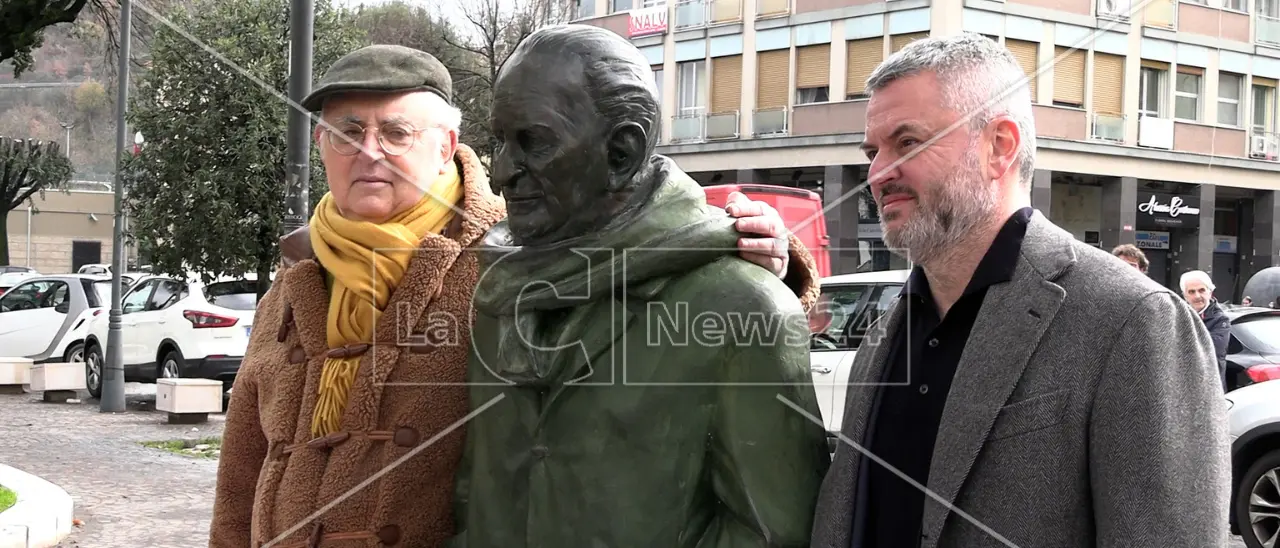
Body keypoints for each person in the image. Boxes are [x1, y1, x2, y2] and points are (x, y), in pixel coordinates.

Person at [207, 44, 815, 548]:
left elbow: (632, 247)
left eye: (394, 131)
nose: (369, 152)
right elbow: (242, 474)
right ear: (320, 146)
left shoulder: (509, 251)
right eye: (346, 132)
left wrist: (766, 257)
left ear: (445, 145)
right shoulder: (293, 284)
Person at [810, 34, 1229, 548]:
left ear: (999, 147)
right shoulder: (884, 332)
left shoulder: (1133, 320)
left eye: (907, 143)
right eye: (873, 151)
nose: (877, 174)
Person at [449, 24, 829, 547]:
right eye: (500, 141)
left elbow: (771, 533)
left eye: (533, 143)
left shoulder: (743, 306)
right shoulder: (498, 289)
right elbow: (477, 486)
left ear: (622, 152)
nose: (501, 173)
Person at [1181, 269, 1230, 391]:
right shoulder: (1178, 315)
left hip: (1209, 388)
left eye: (1201, 290)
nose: (1197, 296)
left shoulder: (1220, 319)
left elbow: (1211, 349)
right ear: (1185, 296)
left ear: (1210, 292)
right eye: (1191, 292)